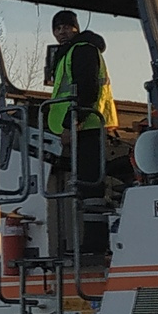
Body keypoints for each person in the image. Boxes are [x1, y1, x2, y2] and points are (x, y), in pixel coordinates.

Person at [44, 10, 115, 192]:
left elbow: (86, 90)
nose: (61, 32)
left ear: (76, 29)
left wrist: (71, 124)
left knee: (88, 183)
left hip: (85, 125)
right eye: (57, 28)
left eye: (66, 27)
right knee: (85, 181)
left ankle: (92, 216)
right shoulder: (70, 53)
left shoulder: (82, 50)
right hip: (83, 125)